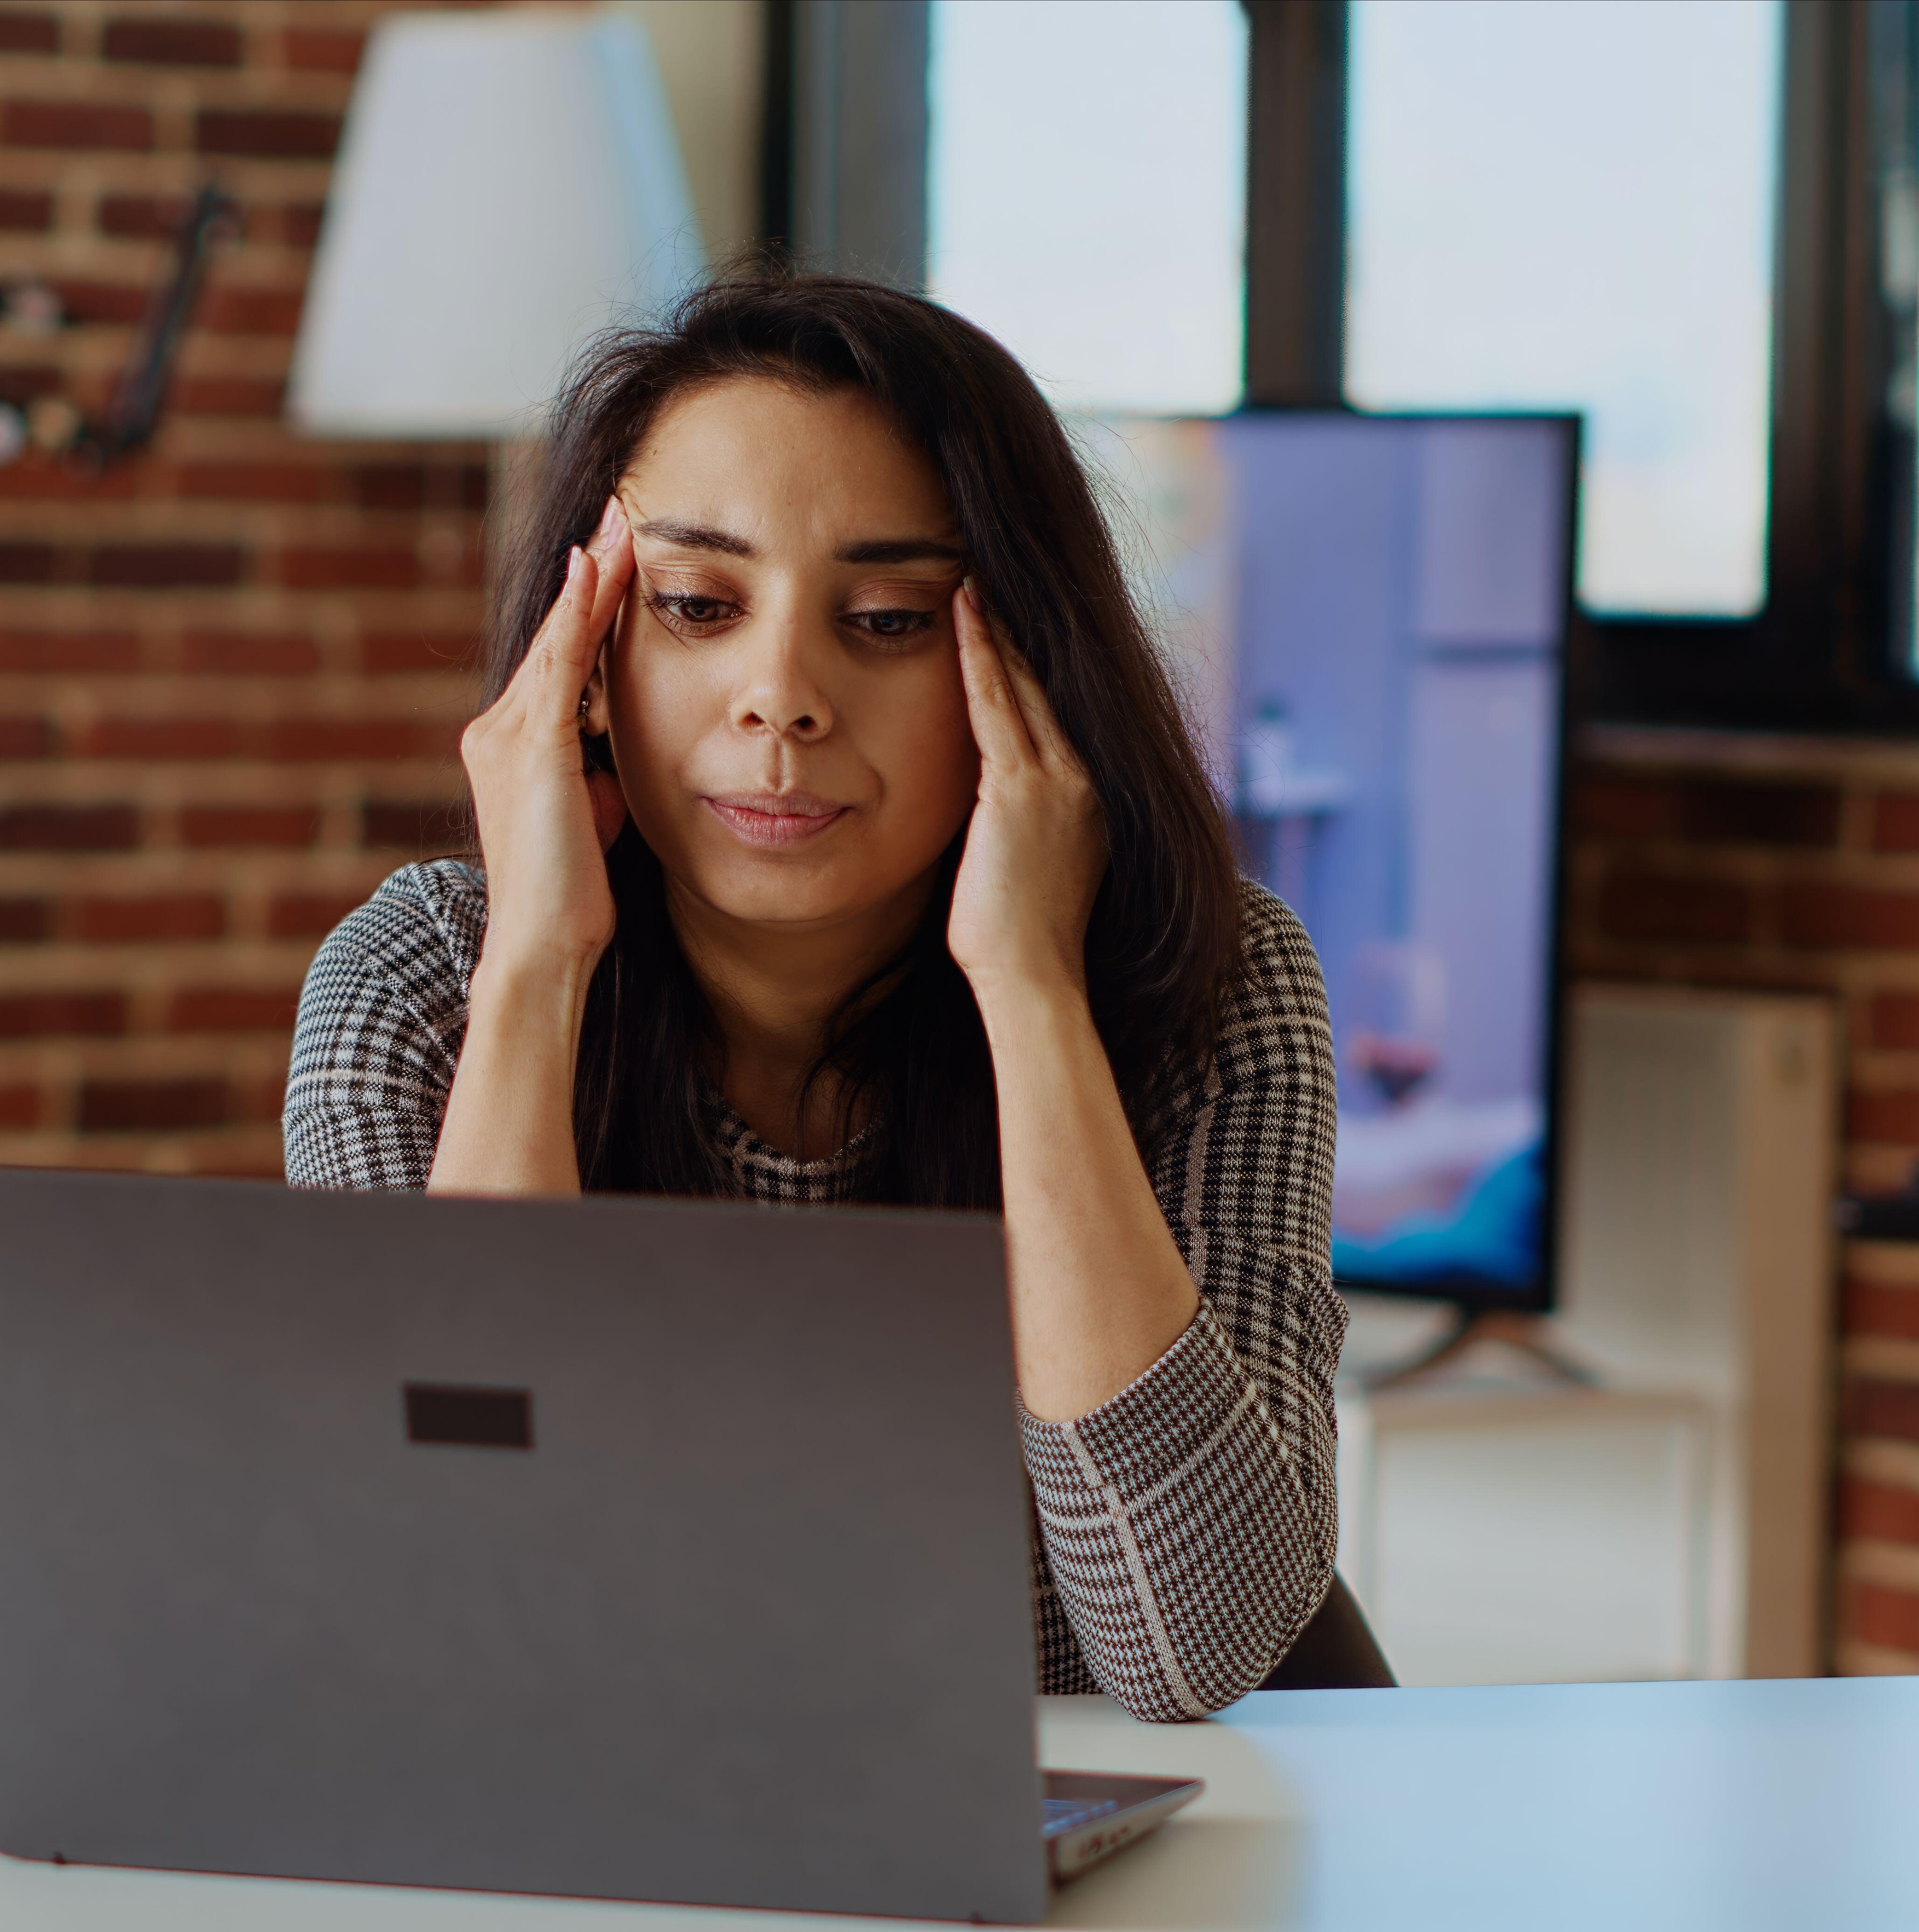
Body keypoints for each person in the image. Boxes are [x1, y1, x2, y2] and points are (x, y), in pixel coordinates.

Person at [282, 268, 1344, 1721]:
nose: (781, 696)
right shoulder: (415, 987)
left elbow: (1198, 1648)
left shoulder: (1216, 987)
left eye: (892, 618)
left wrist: (1031, 992)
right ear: (587, 661)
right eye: (700, 604)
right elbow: (456, 1598)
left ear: (1026, 666)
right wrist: (533, 966)